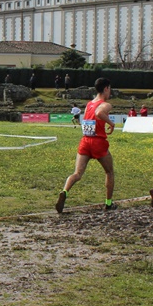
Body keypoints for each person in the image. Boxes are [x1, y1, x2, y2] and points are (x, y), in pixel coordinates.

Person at [56, 78, 116, 213]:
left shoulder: (89, 104)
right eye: (110, 89)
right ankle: (108, 203)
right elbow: (99, 113)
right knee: (109, 172)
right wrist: (111, 124)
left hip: (85, 141)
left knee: (77, 173)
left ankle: (65, 191)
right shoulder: (105, 104)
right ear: (106, 88)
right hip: (98, 142)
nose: (110, 92)